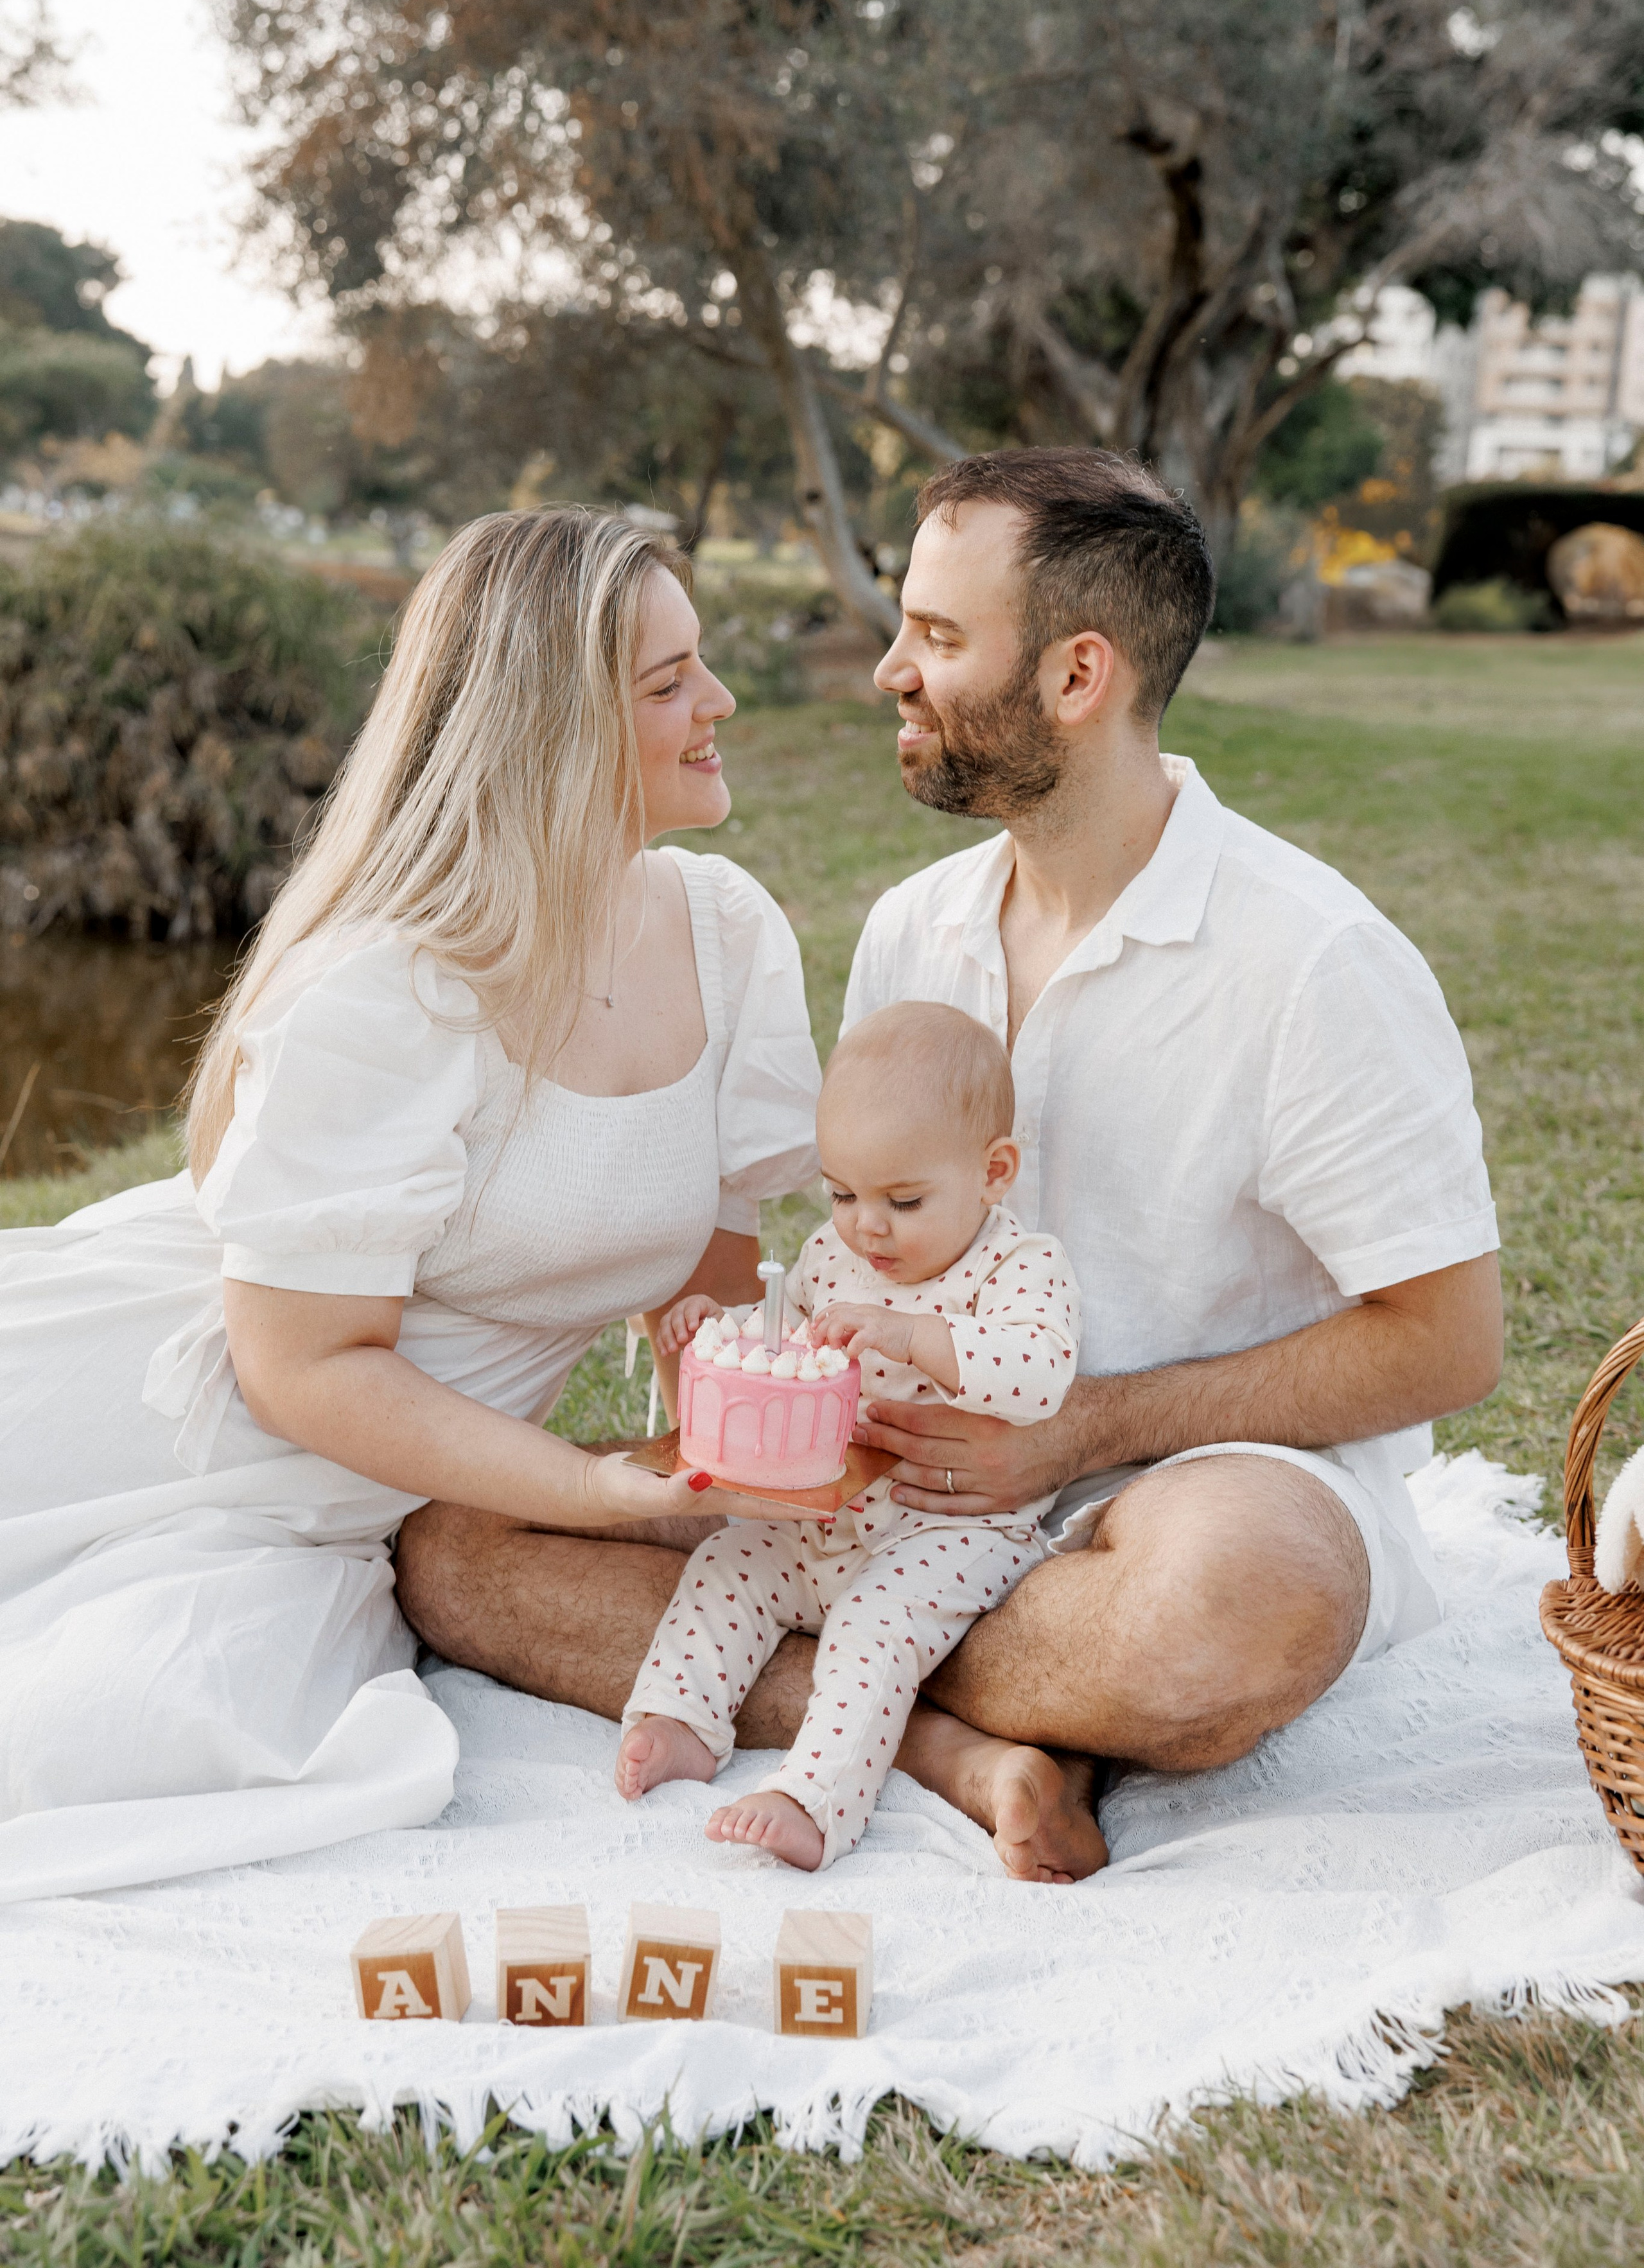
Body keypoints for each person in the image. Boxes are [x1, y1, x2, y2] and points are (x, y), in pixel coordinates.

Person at [398, 448, 1503, 1886]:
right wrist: (773, 1386)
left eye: (935, 635)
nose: (888, 673)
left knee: (1237, 1610)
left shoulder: (1315, 960)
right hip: (889, 1488)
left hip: (1177, 1489)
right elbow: (864, 1248)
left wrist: (1079, 1430)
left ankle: (913, 1683)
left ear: (1077, 675)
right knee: (459, 1547)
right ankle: (956, 1743)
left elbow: (1448, 1341)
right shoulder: (912, 931)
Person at [0, 507, 821, 1902]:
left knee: (198, 1720)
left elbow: (712, 1288)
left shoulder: (726, 933)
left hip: (374, 1487)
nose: (720, 702)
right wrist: (584, 1491)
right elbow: (301, 1366)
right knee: (128, 1740)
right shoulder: (395, 983)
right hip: (181, 1426)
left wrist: (746, 1444)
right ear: (556, 729)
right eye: (668, 680)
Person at [614, 1000, 1078, 1869]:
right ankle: (682, 1718)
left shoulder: (1020, 1266)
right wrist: (726, 1325)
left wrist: (915, 1336)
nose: (867, 1225)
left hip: (951, 1533)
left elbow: (1039, 1371)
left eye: (903, 1200)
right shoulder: (838, 1255)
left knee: (872, 1627)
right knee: (728, 1562)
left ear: (994, 1172)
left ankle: (816, 1799)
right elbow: (791, 1337)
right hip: (831, 1523)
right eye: (842, 1193)